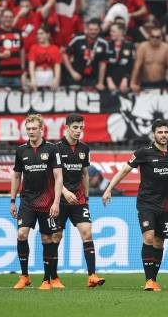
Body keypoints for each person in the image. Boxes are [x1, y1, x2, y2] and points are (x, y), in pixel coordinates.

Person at [102, 119, 168, 291]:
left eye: (166, 132)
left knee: (159, 242)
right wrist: (109, 188)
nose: (163, 135)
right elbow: (124, 170)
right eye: (160, 132)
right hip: (146, 203)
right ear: (153, 134)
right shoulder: (143, 152)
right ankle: (148, 280)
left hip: (165, 204)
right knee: (148, 237)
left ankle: (154, 279)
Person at [10, 114, 63, 290]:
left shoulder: (52, 149)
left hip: (47, 202)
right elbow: (17, 175)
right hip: (27, 201)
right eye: (28, 129)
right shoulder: (21, 150)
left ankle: (47, 280)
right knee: (21, 234)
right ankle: (24, 276)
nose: (31, 131)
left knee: (47, 238)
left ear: (42, 129)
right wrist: (12, 200)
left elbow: (58, 176)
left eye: (34, 128)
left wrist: (56, 202)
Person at [53, 114, 106, 288]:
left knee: (87, 232)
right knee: (56, 237)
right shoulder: (56, 148)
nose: (78, 131)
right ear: (67, 127)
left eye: (81, 128)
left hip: (79, 200)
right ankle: (53, 277)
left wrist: (87, 198)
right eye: (75, 127)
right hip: (60, 199)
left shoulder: (84, 148)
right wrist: (65, 192)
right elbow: (52, 177)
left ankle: (92, 275)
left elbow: (85, 174)